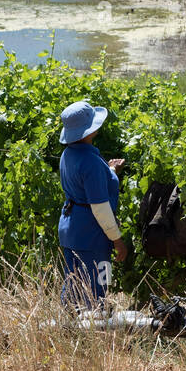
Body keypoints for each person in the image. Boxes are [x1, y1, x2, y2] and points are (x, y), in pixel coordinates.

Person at [57, 100, 129, 311]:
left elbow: (84, 186)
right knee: (96, 293)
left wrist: (109, 172)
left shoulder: (68, 154)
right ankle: (94, 336)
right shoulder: (90, 161)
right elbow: (100, 207)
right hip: (92, 235)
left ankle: (66, 331)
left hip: (70, 230)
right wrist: (117, 240)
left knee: (72, 287)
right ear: (91, 129)